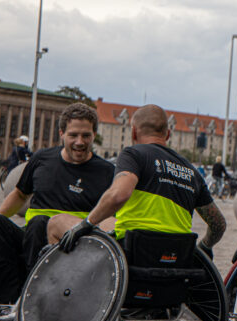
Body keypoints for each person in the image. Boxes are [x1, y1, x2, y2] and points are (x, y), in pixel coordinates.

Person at [0, 103, 115, 307]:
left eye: (86, 136)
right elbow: (19, 194)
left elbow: (111, 215)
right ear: (62, 133)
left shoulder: (105, 171)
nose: (80, 142)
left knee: (40, 223)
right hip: (30, 235)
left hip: (71, 243)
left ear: (94, 135)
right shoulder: (43, 159)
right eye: (73, 135)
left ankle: (31, 300)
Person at [56, 104, 226, 257]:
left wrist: (87, 223)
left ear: (133, 132)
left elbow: (118, 195)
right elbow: (218, 224)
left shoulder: (134, 155)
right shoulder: (191, 172)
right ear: (167, 134)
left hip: (134, 250)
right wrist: (205, 246)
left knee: (55, 225)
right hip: (177, 254)